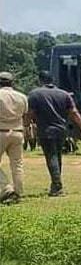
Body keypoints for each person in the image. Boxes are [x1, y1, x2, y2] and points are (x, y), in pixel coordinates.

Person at [27, 70, 81, 196]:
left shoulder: (35, 94)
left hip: (46, 130)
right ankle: (55, 183)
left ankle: (57, 186)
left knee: (51, 157)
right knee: (57, 157)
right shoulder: (64, 94)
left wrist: (25, 126)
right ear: (52, 80)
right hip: (62, 130)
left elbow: (30, 113)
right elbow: (74, 112)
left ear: (40, 80)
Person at [0, 71, 30, 205]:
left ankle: (6, 189)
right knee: (17, 164)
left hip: (1, 131)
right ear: (12, 82)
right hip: (17, 131)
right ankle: (18, 192)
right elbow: (25, 115)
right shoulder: (22, 96)